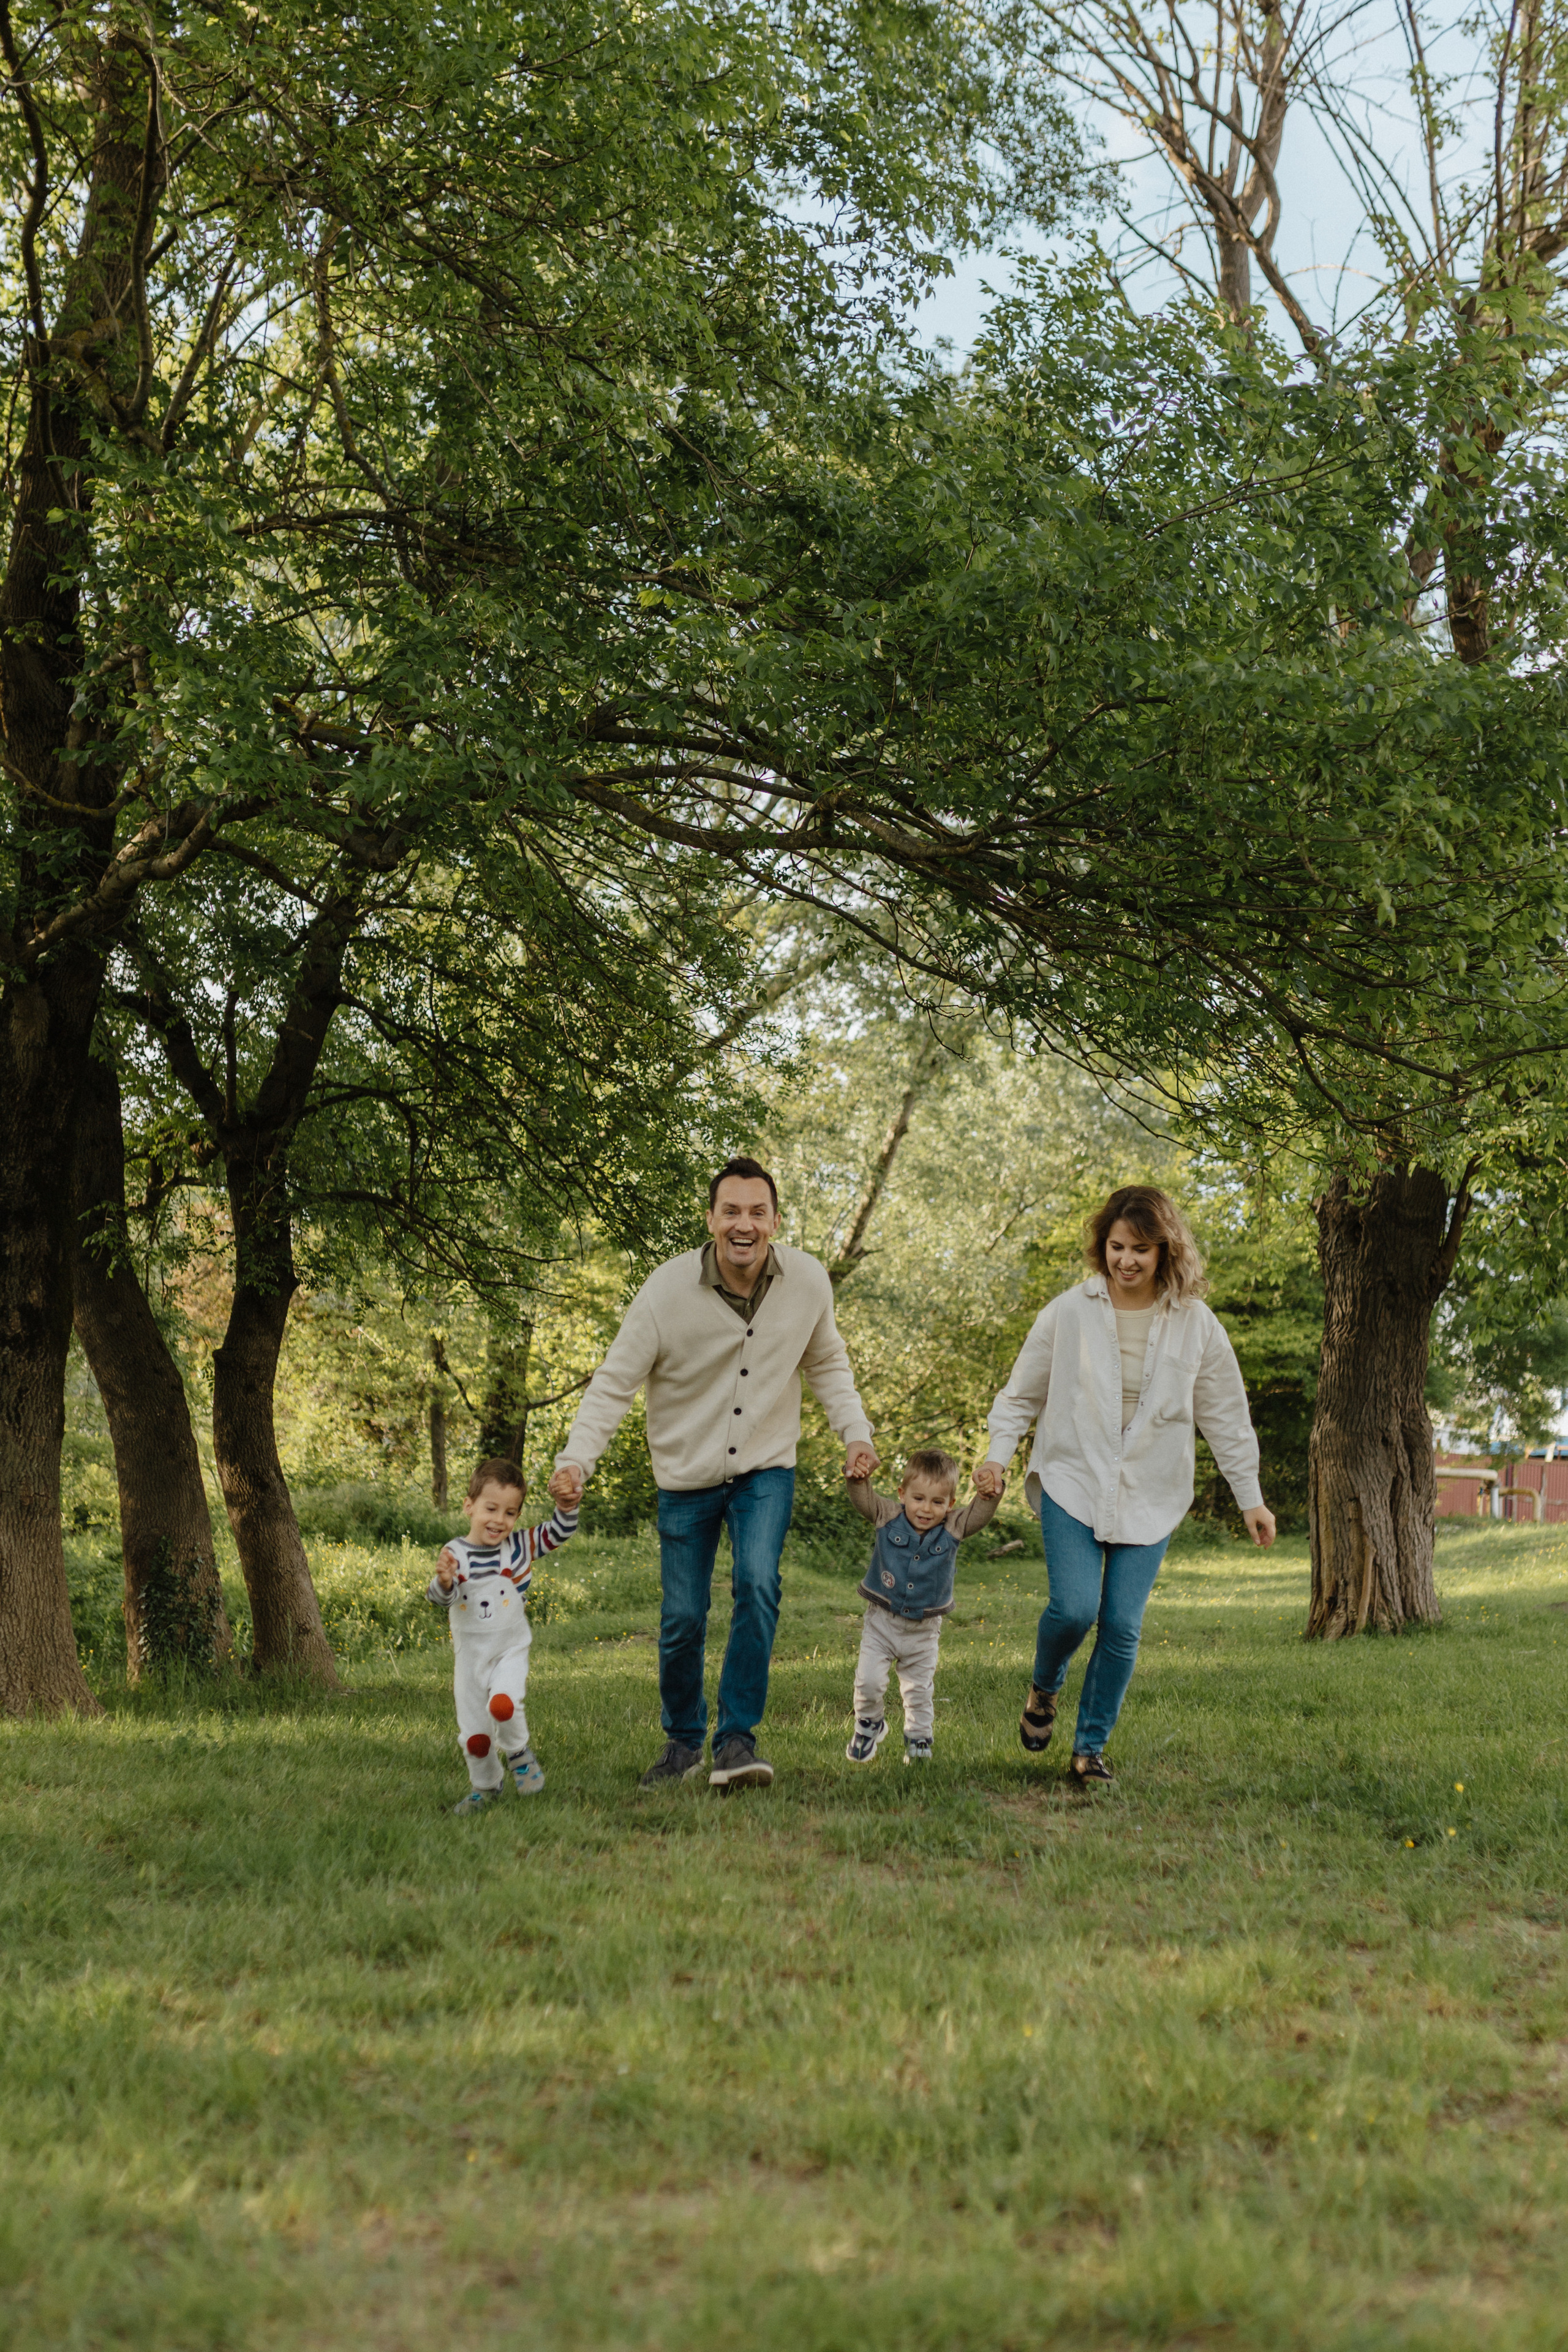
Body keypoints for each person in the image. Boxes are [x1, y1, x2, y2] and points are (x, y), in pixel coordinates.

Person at [549, 1157, 877, 1790]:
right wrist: (576, 1459)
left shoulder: (807, 1282)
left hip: (765, 1469)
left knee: (757, 1585)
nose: (744, 1224)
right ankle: (682, 1743)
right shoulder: (666, 1291)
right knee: (682, 1617)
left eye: (757, 1212)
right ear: (711, 1220)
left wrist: (855, 1434)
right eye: (731, 1211)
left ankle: (736, 1741)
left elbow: (828, 1362)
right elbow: (614, 1383)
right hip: (684, 1474)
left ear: (775, 1221)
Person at [976, 1185, 1274, 1785]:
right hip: (1073, 1474)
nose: (1126, 1261)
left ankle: (1088, 1752)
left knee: (1122, 1625)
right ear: (1101, 1247)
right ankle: (1044, 1687)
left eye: (1140, 1248)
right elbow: (1021, 1394)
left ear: (1165, 1251)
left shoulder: (1196, 1324)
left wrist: (1251, 1497)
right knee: (1074, 1608)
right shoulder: (1069, 1311)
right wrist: (997, 1458)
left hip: (1151, 1487)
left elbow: (1224, 1413)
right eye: (1116, 1247)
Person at [428, 1456, 578, 1815]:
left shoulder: (522, 1546)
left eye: (510, 1513)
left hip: (510, 1649)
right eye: (491, 1508)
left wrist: (566, 1505)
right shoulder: (456, 1553)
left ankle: (519, 1752)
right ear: (470, 1506)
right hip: (471, 1657)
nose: (499, 1520)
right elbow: (438, 1598)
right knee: (476, 1736)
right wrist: (445, 1581)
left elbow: (559, 1532)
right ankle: (485, 1785)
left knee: (504, 1704)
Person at [843, 1446, 998, 1765]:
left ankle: (919, 1738)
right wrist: (858, 1479)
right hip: (881, 1623)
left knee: (918, 1689)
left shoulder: (954, 1527)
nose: (926, 1509)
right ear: (902, 1494)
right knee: (869, 1681)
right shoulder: (888, 1516)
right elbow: (864, 1500)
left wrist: (989, 1494)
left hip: (924, 1631)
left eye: (938, 1502)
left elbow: (980, 1515)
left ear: (950, 1504)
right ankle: (869, 1724)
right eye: (918, 1498)